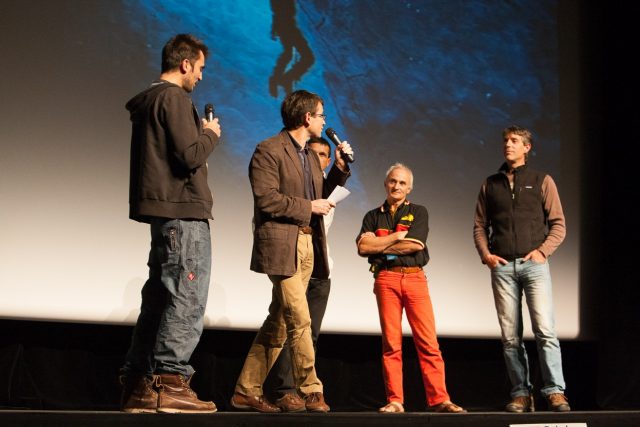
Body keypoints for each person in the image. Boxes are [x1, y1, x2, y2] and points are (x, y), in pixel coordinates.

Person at [230, 90, 352, 413]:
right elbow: (266, 199)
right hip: (282, 244)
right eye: (322, 115)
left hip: (308, 243)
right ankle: (311, 389)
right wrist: (308, 207)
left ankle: (246, 390)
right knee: (300, 317)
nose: (324, 121)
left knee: (280, 322)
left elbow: (320, 193)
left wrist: (339, 169)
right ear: (307, 117)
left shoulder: (309, 156)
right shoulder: (269, 150)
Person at [119, 33, 222, 414]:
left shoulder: (150, 100)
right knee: (186, 297)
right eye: (200, 68)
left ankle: (139, 385)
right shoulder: (174, 98)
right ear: (185, 63)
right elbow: (189, 155)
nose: (201, 77)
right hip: (183, 212)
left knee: (160, 298)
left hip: (166, 214)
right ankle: (170, 381)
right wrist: (210, 135)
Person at [473, 125, 570, 413]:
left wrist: (542, 252)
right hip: (503, 268)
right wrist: (487, 255)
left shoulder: (542, 180)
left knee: (545, 331)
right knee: (510, 336)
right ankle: (521, 393)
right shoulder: (491, 184)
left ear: (527, 147)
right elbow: (479, 226)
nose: (508, 144)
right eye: (506, 140)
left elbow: (558, 224)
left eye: (514, 141)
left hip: (534, 266)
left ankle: (555, 391)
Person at [356, 163, 466, 414]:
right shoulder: (372, 216)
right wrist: (396, 237)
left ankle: (439, 400)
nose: (396, 186)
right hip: (386, 279)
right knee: (391, 344)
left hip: (415, 278)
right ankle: (395, 401)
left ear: (409, 188)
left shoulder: (418, 211)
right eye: (393, 181)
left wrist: (379, 244)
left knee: (428, 342)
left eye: (402, 183)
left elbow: (415, 244)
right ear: (386, 184)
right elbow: (362, 248)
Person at [265, 136, 340, 412]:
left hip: (321, 268)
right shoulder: (298, 183)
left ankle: (299, 389)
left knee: (310, 333)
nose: (316, 159)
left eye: (322, 155)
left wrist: (341, 168)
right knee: (291, 327)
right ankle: (287, 390)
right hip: (294, 262)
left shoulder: (325, 188)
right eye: (312, 153)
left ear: (327, 160)